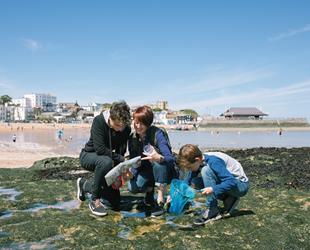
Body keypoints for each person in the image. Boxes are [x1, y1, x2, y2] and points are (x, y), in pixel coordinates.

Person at [76, 101, 131, 216]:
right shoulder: (99, 121)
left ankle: (84, 184)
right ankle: (94, 200)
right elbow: (100, 149)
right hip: (88, 155)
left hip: (109, 160)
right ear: (110, 118)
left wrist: (118, 176)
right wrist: (121, 159)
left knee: (115, 203)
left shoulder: (125, 128)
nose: (120, 129)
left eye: (122, 126)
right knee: (105, 161)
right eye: (117, 125)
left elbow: (121, 151)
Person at [177, 144, 249, 226]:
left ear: (197, 160)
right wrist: (176, 195)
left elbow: (231, 181)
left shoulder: (214, 161)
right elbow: (188, 181)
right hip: (231, 185)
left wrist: (213, 189)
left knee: (205, 171)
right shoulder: (200, 160)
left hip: (241, 186)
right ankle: (229, 198)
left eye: (189, 167)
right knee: (194, 182)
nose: (188, 169)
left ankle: (212, 209)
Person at [128, 105, 177, 216]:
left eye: (141, 123)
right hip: (146, 171)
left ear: (148, 123)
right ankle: (149, 193)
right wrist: (132, 172)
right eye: (136, 122)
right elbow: (133, 160)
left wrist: (158, 157)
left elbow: (170, 158)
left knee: (158, 163)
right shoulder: (132, 138)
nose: (138, 126)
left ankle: (160, 200)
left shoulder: (157, 134)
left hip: (164, 170)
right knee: (133, 187)